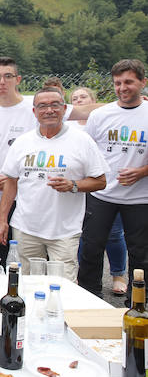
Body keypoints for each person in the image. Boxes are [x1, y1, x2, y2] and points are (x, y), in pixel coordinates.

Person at [0, 57, 98, 267]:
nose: (3, 81)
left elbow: (84, 111)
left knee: (44, 252)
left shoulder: (37, 105)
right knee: (0, 248)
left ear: (18, 79)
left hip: (31, 191)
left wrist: (120, 105)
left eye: (8, 76)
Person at [0, 87, 108, 280]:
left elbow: (101, 181)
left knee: (63, 287)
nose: (49, 110)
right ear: (34, 112)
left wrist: (73, 185)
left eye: (55, 105)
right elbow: (11, 182)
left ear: (64, 109)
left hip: (64, 231)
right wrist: (2, 221)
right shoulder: (22, 143)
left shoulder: (82, 140)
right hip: (26, 228)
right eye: (43, 106)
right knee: (26, 283)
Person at [78, 59, 148, 302]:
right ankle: (89, 297)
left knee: (141, 254)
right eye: (117, 83)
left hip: (140, 198)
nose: (122, 87)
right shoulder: (101, 115)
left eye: (128, 82)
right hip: (102, 195)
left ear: (143, 82)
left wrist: (142, 172)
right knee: (91, 248)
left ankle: (138, 303)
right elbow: (86, 150)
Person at [68, 87, 128, 294]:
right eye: (74, 98)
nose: (79, 100)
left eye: (83, 96)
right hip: (78, 185)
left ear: (93, 100)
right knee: (85, 234)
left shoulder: (104, 118)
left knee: (114, 233)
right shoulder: (69, 125)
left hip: (109, 184)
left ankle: (119, 274)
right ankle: (83, 277)